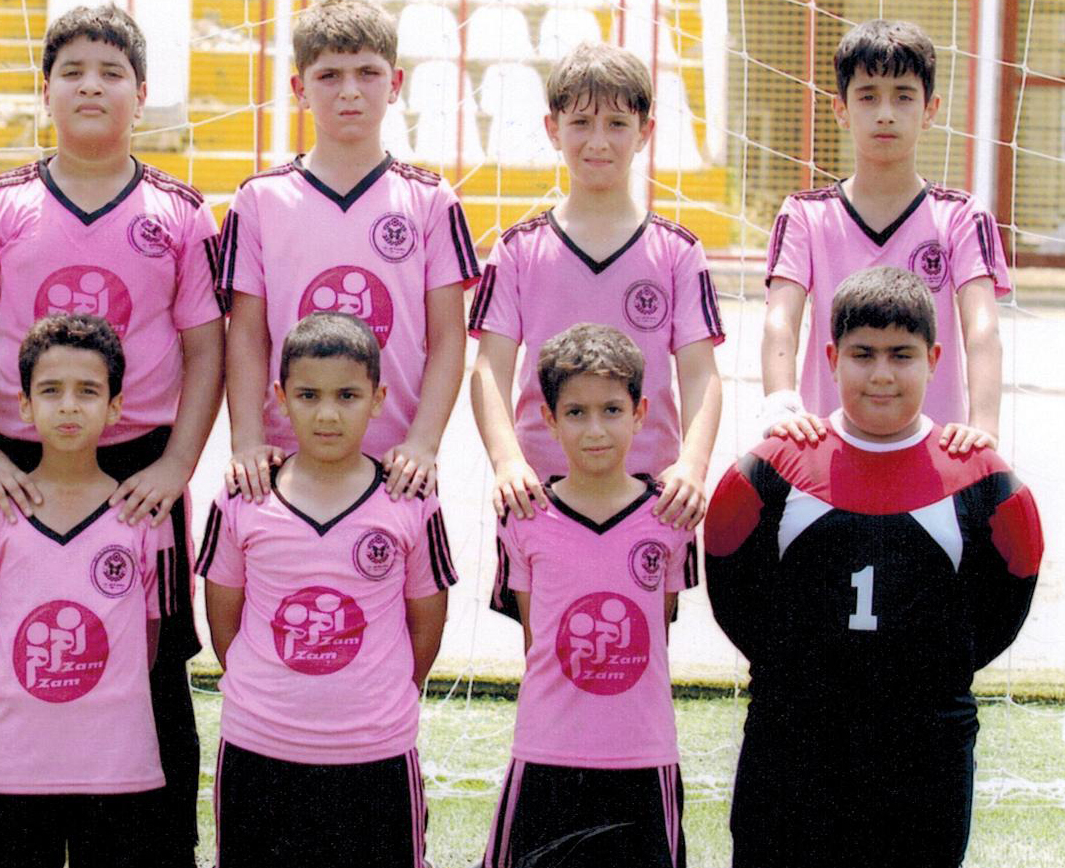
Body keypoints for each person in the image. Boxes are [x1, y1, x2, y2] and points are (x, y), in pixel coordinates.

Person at [0, 3, 224, 868]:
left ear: (141, 93)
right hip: (22, 458)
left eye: (111, 72)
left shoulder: (181, 212)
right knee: (6, 657)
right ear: (46, 89)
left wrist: (178, 463)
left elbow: (207, 347)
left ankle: (170, 863)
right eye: (73, 71)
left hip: (138, 465)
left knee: (157, 662)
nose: (91, 86)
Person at [704, 266, 1043, 868]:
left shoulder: (980, 478)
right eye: (862, 354)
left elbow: (1007, 598)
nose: (881, 375)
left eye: (901, 355)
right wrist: (786, 669)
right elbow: (731, 580)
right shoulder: (776, 467)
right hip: (798, 735)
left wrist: (938, 673)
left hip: (921, 744)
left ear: (935, 360)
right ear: (831, 359)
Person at [198, 312, 454, 868]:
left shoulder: (409, 499)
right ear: (280, 398)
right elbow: (224, 617)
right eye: (308, 395)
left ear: (379, 399)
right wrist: (264, 688)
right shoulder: (244, 496)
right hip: (262, 745)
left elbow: (426, 620)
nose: (328, 415)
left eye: (347, 395)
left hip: (371, 749)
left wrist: (387, 692)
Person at [461, 324, 693, 868]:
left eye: (613, 410)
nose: (596, 430)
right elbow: (537, 636)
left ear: (641, 413)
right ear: (549, 418)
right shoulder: (525, 517)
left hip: (640, 754)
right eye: (577, 412)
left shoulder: (669, 518)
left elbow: (658, 627)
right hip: (551, 754)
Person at [0, 313, 177, 868]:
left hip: (118, 763)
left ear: (116, 407)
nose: (69, 406)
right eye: (50, 391)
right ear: (24, 405)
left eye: (88, 391)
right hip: (17, 764)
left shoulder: (144, 513)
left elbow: (150, 641)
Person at [218, 0, 479, 504]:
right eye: (329, 76)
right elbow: (247, 335)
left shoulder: (431, 200)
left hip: (397, 465)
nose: (350, 91)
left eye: (367, 73)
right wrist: (247, 439)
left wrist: (423, 443)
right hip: (286, 461)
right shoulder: (259, 200)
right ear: (300, 90)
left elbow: (449, 338)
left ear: (395, 83)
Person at [468, 41, 723, 533]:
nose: (598, 142)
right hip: (539, 493)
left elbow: (700, 374)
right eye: (581, 123)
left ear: (645, 132)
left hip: (651, 497)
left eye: (617, 124)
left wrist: (692, 465)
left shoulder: (678, 252)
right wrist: (507, 461)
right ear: (553, 129)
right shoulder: (518, 250)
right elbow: (489, 369)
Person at [760, 19, 1008, 456]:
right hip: (828, 452)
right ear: (841, 109)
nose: (886, 112)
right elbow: (780, 321)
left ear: (930, 110)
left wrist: (984, 427)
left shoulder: (961, 216)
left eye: (904, 96)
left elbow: (982, 329)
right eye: (868, 96)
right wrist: (781, 406)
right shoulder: (805, 215)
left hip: (935, 454)